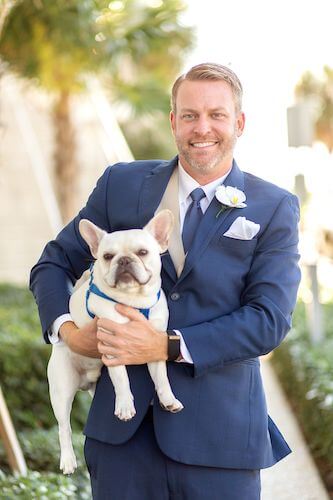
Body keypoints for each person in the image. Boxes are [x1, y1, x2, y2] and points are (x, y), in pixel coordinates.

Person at [30, 62, 301, 500]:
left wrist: (165, 346)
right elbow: (53, 262)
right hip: (121, 442)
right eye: (190, 115)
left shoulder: (273, 207)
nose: (203, 128)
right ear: (174, 121)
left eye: (217, 115)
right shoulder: (121, 183)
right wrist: (69, 333)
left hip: (222, 442)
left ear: (239, 123)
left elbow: (267, 320)